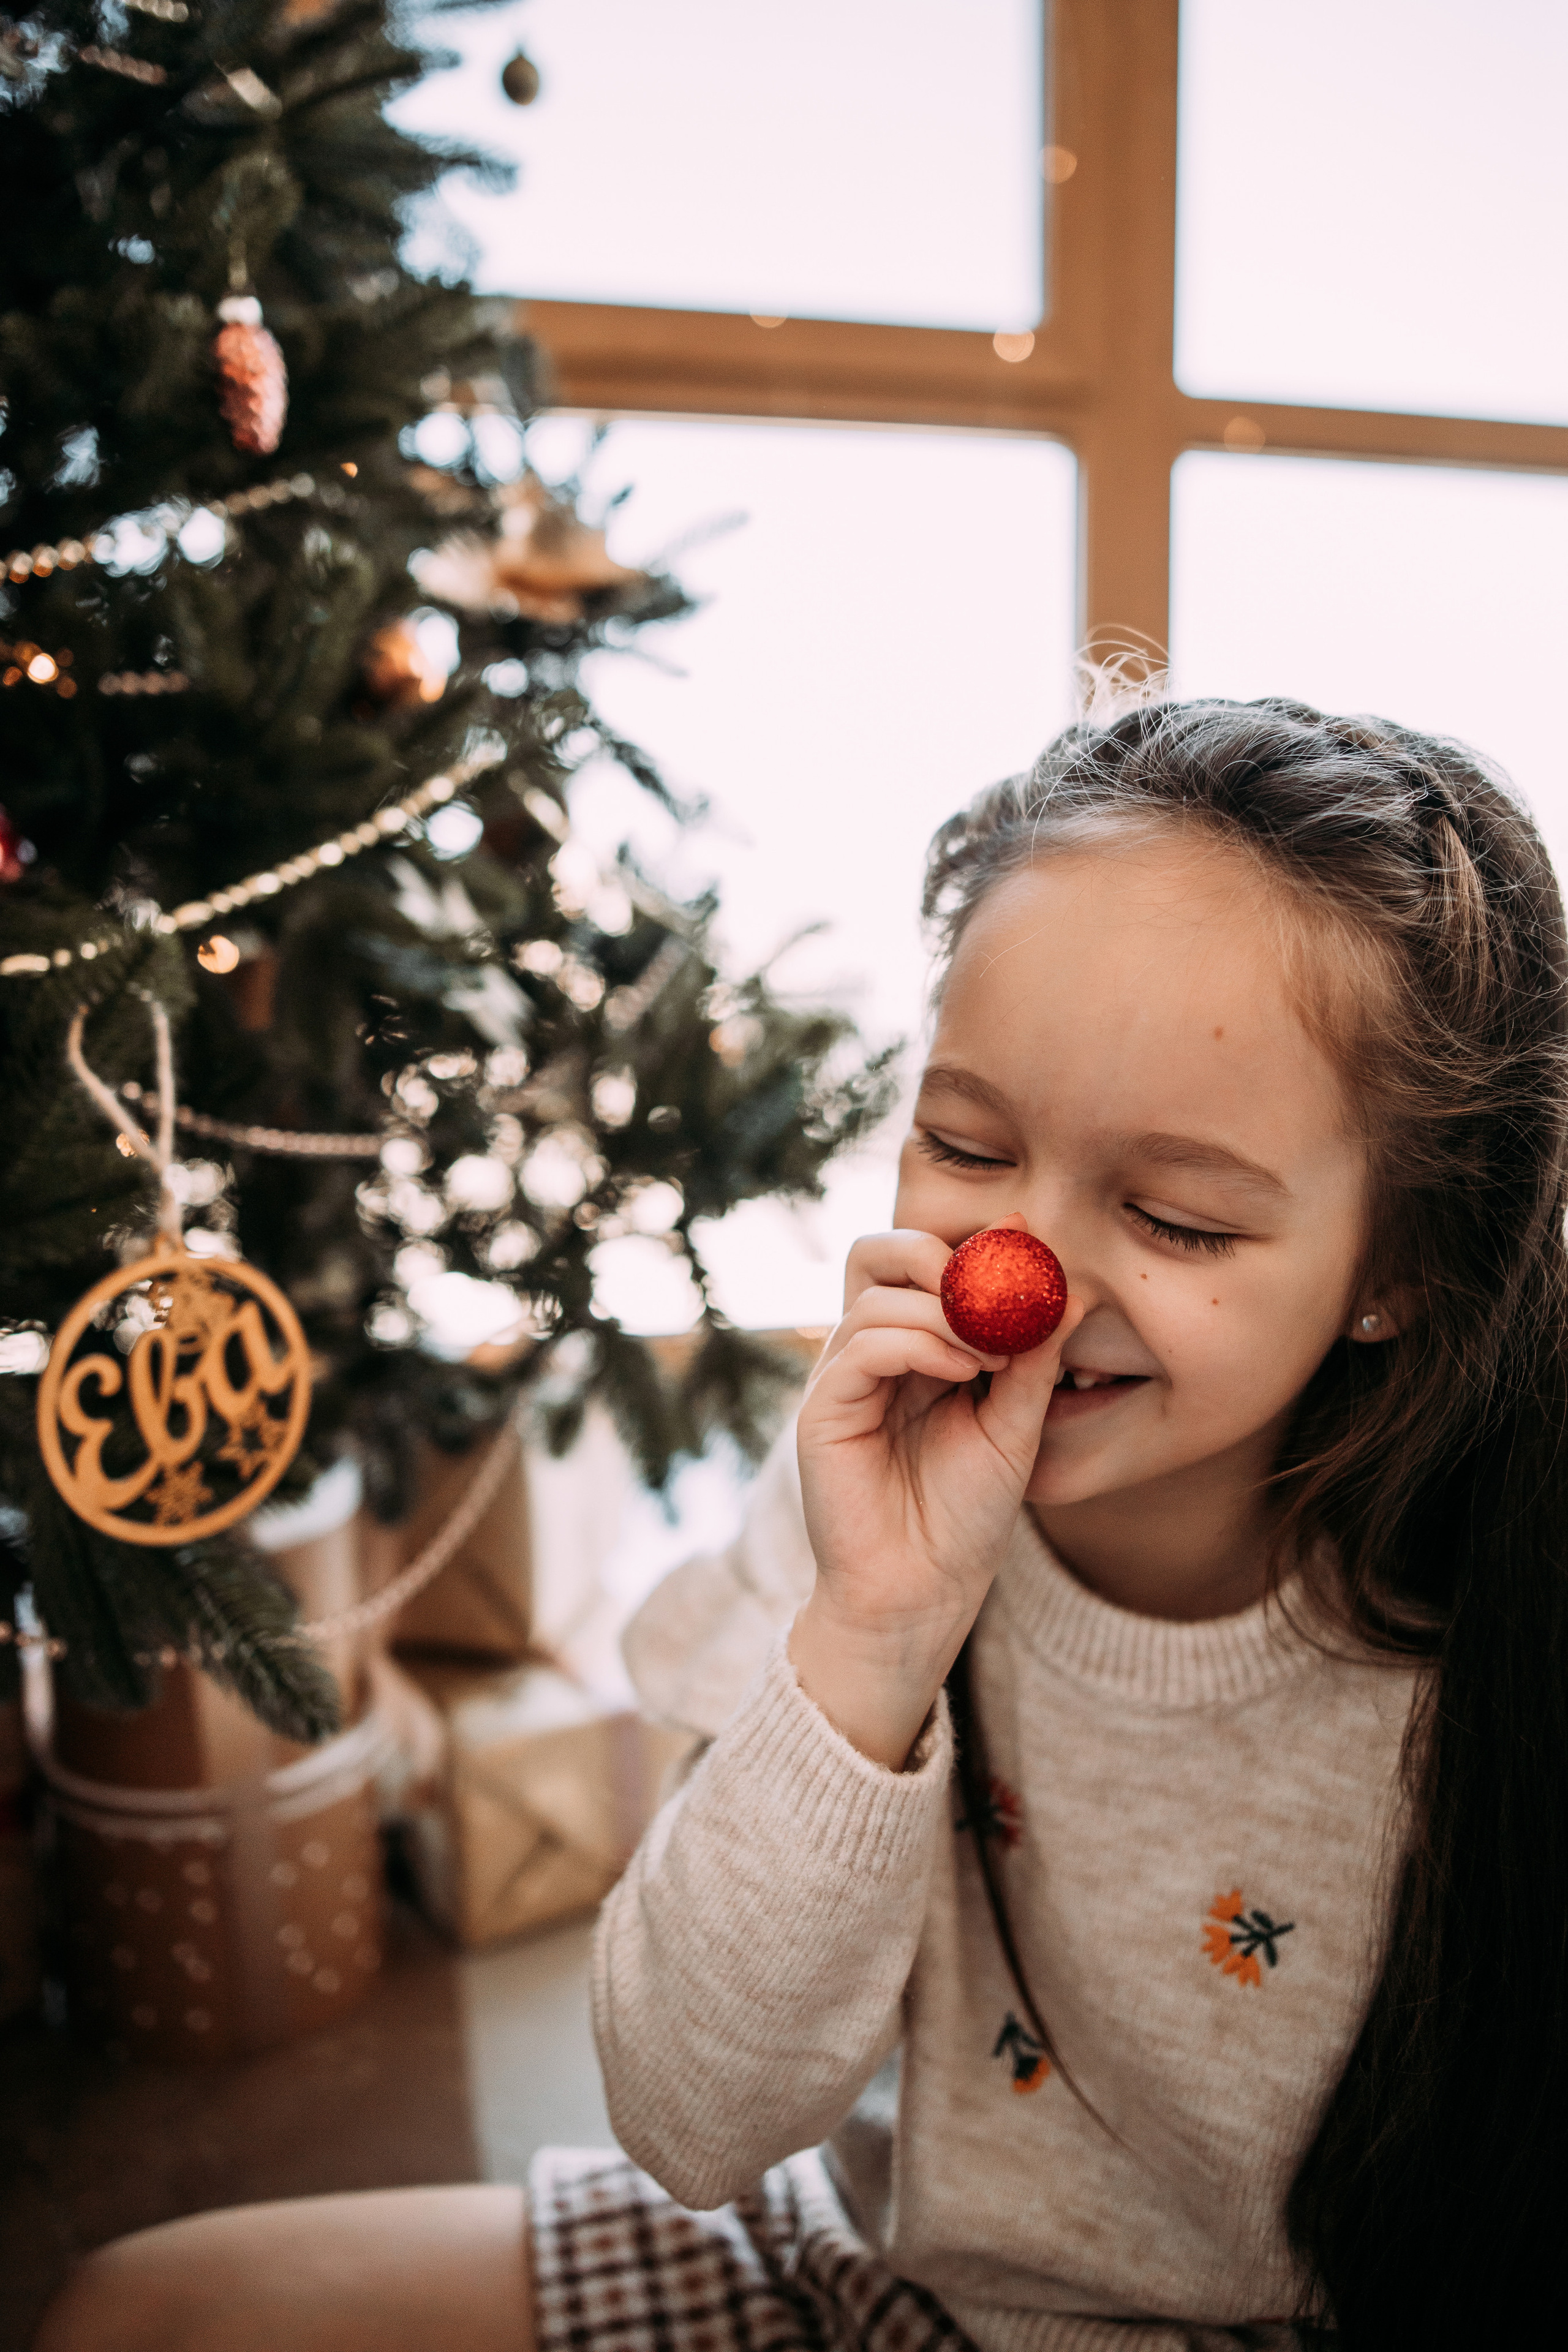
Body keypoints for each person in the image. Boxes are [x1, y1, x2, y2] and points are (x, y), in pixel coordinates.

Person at [37, 698, 1567, 2352]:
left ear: (1406, 1263)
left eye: (1177, 1217)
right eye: (966, 1144)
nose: (1023, 1280)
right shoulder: (870, 1488)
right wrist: (880, 1628)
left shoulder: (1499, 1622)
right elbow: (693, 2122)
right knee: (137, 2308)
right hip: (846, 2259)